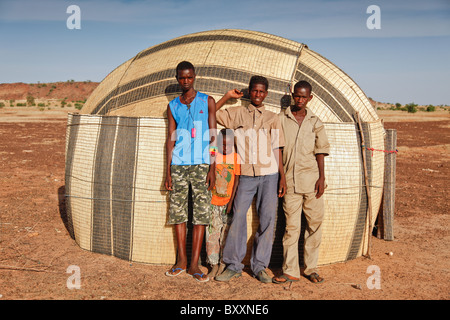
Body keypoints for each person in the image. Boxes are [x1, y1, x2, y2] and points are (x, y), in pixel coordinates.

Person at [214, 76, 286, 283]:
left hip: (269, 174)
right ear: (249, 91)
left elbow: (276, 148)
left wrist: (281, 176)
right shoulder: (236, 113)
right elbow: (212, 113)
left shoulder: (273, 117)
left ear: (266, 94)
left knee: (267, 220)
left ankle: (259, 266)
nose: (257, 94)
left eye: (262, 92)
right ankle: (233, 265)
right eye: (254, 91)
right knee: (237, 217)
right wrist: (227, 96)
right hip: (244, 174)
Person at [272, 80, 330, 285]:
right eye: (297, 95)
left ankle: (311, 268)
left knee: (314, 225)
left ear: (310, 98)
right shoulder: (281, 118)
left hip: (312, 182)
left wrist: (322, 178)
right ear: (292, 94)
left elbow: (321, 151)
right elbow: (277, 149)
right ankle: (290, 270)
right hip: (290, 182)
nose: (300, 100)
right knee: (291, 228)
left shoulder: (315, 121)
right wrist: (281, 177)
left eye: (304, 97)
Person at [164, 61, 217, 283]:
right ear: (177, 78)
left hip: (202, 164)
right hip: (178, 164)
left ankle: (195, 263)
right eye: (181, 78)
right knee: (178, 213)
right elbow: (170, 139)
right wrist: (167, 170)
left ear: (195, 77)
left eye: (189, 77)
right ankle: (181, 261)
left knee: (201, 214)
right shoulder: (173, 105)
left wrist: (213, 166)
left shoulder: (208, 101)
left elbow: (214, 136)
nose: (186, 81)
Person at [205, 128, 240, 279]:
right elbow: (211, 146)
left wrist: (231, 202)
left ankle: (223, 264)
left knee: (226, 236)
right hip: (213, 202)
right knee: (212, 235)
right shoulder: (213, 154)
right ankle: (213, 264)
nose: (226, 148)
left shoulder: (236, 158)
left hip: (227, 204)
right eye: (223, 144)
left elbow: (237, 180)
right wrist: (216, 142)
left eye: (229, 145)